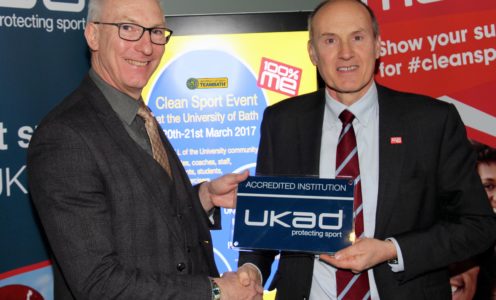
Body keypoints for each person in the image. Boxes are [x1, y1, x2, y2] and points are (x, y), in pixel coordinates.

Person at [238, 0, 496, 299]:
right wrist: (252, 271)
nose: (345, 52)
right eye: (330, 40)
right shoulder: (282, 121)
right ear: (312, 52)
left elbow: (478, 226)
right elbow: (267, 220)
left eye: (357, 37)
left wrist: (390, 250)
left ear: (378, 46)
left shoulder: (432, 121)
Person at [27, 0, 262, 299]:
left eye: (156, 31)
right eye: (128, 29)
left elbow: (142, 216)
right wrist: (215, 292)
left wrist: (204, 198)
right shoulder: (64, 137)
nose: (146, 47)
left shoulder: (140, 114)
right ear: (93, 36)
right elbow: (98, 284)